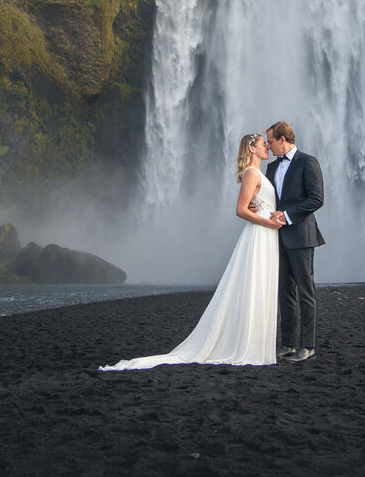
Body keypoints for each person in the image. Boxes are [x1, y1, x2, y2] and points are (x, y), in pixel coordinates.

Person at [100, 133, 283, 370]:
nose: (267, 147)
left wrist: (274, 216)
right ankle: (248, 344)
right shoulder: (251, 173)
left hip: (266, 234)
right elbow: (240, 210)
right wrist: (269, 222)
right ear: (251, 149)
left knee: (261, 287)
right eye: (262, 144)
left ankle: (256, 343)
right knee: (254, 287)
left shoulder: (260, 173)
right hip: (260, 234)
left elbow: (260, 205)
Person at [264, 120, 324, 363]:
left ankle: (307, 346)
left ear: (282, 139)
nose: (268, 146)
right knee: (284, 293)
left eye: (270, 142)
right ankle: (288, 343)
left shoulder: (307, 162)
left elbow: (317, 199)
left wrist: (287, 216)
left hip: (301, 236)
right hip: (277, 237)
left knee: (305, 292)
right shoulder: (271, 167)